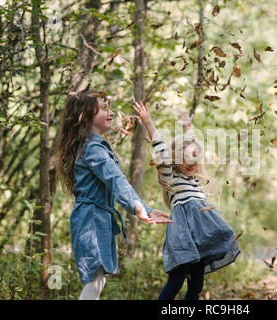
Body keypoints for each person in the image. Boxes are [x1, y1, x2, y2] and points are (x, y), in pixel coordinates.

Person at [55, 88, 172, 300]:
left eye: (109, 106)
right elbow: (115, 179)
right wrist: (138, 207)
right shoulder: (92, 148)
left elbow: (115, 180)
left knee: (98, 279)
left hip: (98, 217)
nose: (110, 112)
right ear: (84, 117)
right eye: (103, 108)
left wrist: (145, 208)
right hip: (90, 219)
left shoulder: (96, 145)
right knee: (95, 280)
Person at [132, 101, 240, 300]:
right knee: (176, 281)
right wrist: (148, 122)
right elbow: (162, 148)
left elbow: (192, 147)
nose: (192, 163)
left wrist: (188, 128)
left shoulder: (195, 180)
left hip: (200, 238)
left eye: (195, 160)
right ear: (175, 157)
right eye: (186, 159)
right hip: (182, 236)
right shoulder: (171, 178)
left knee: (196, 284)